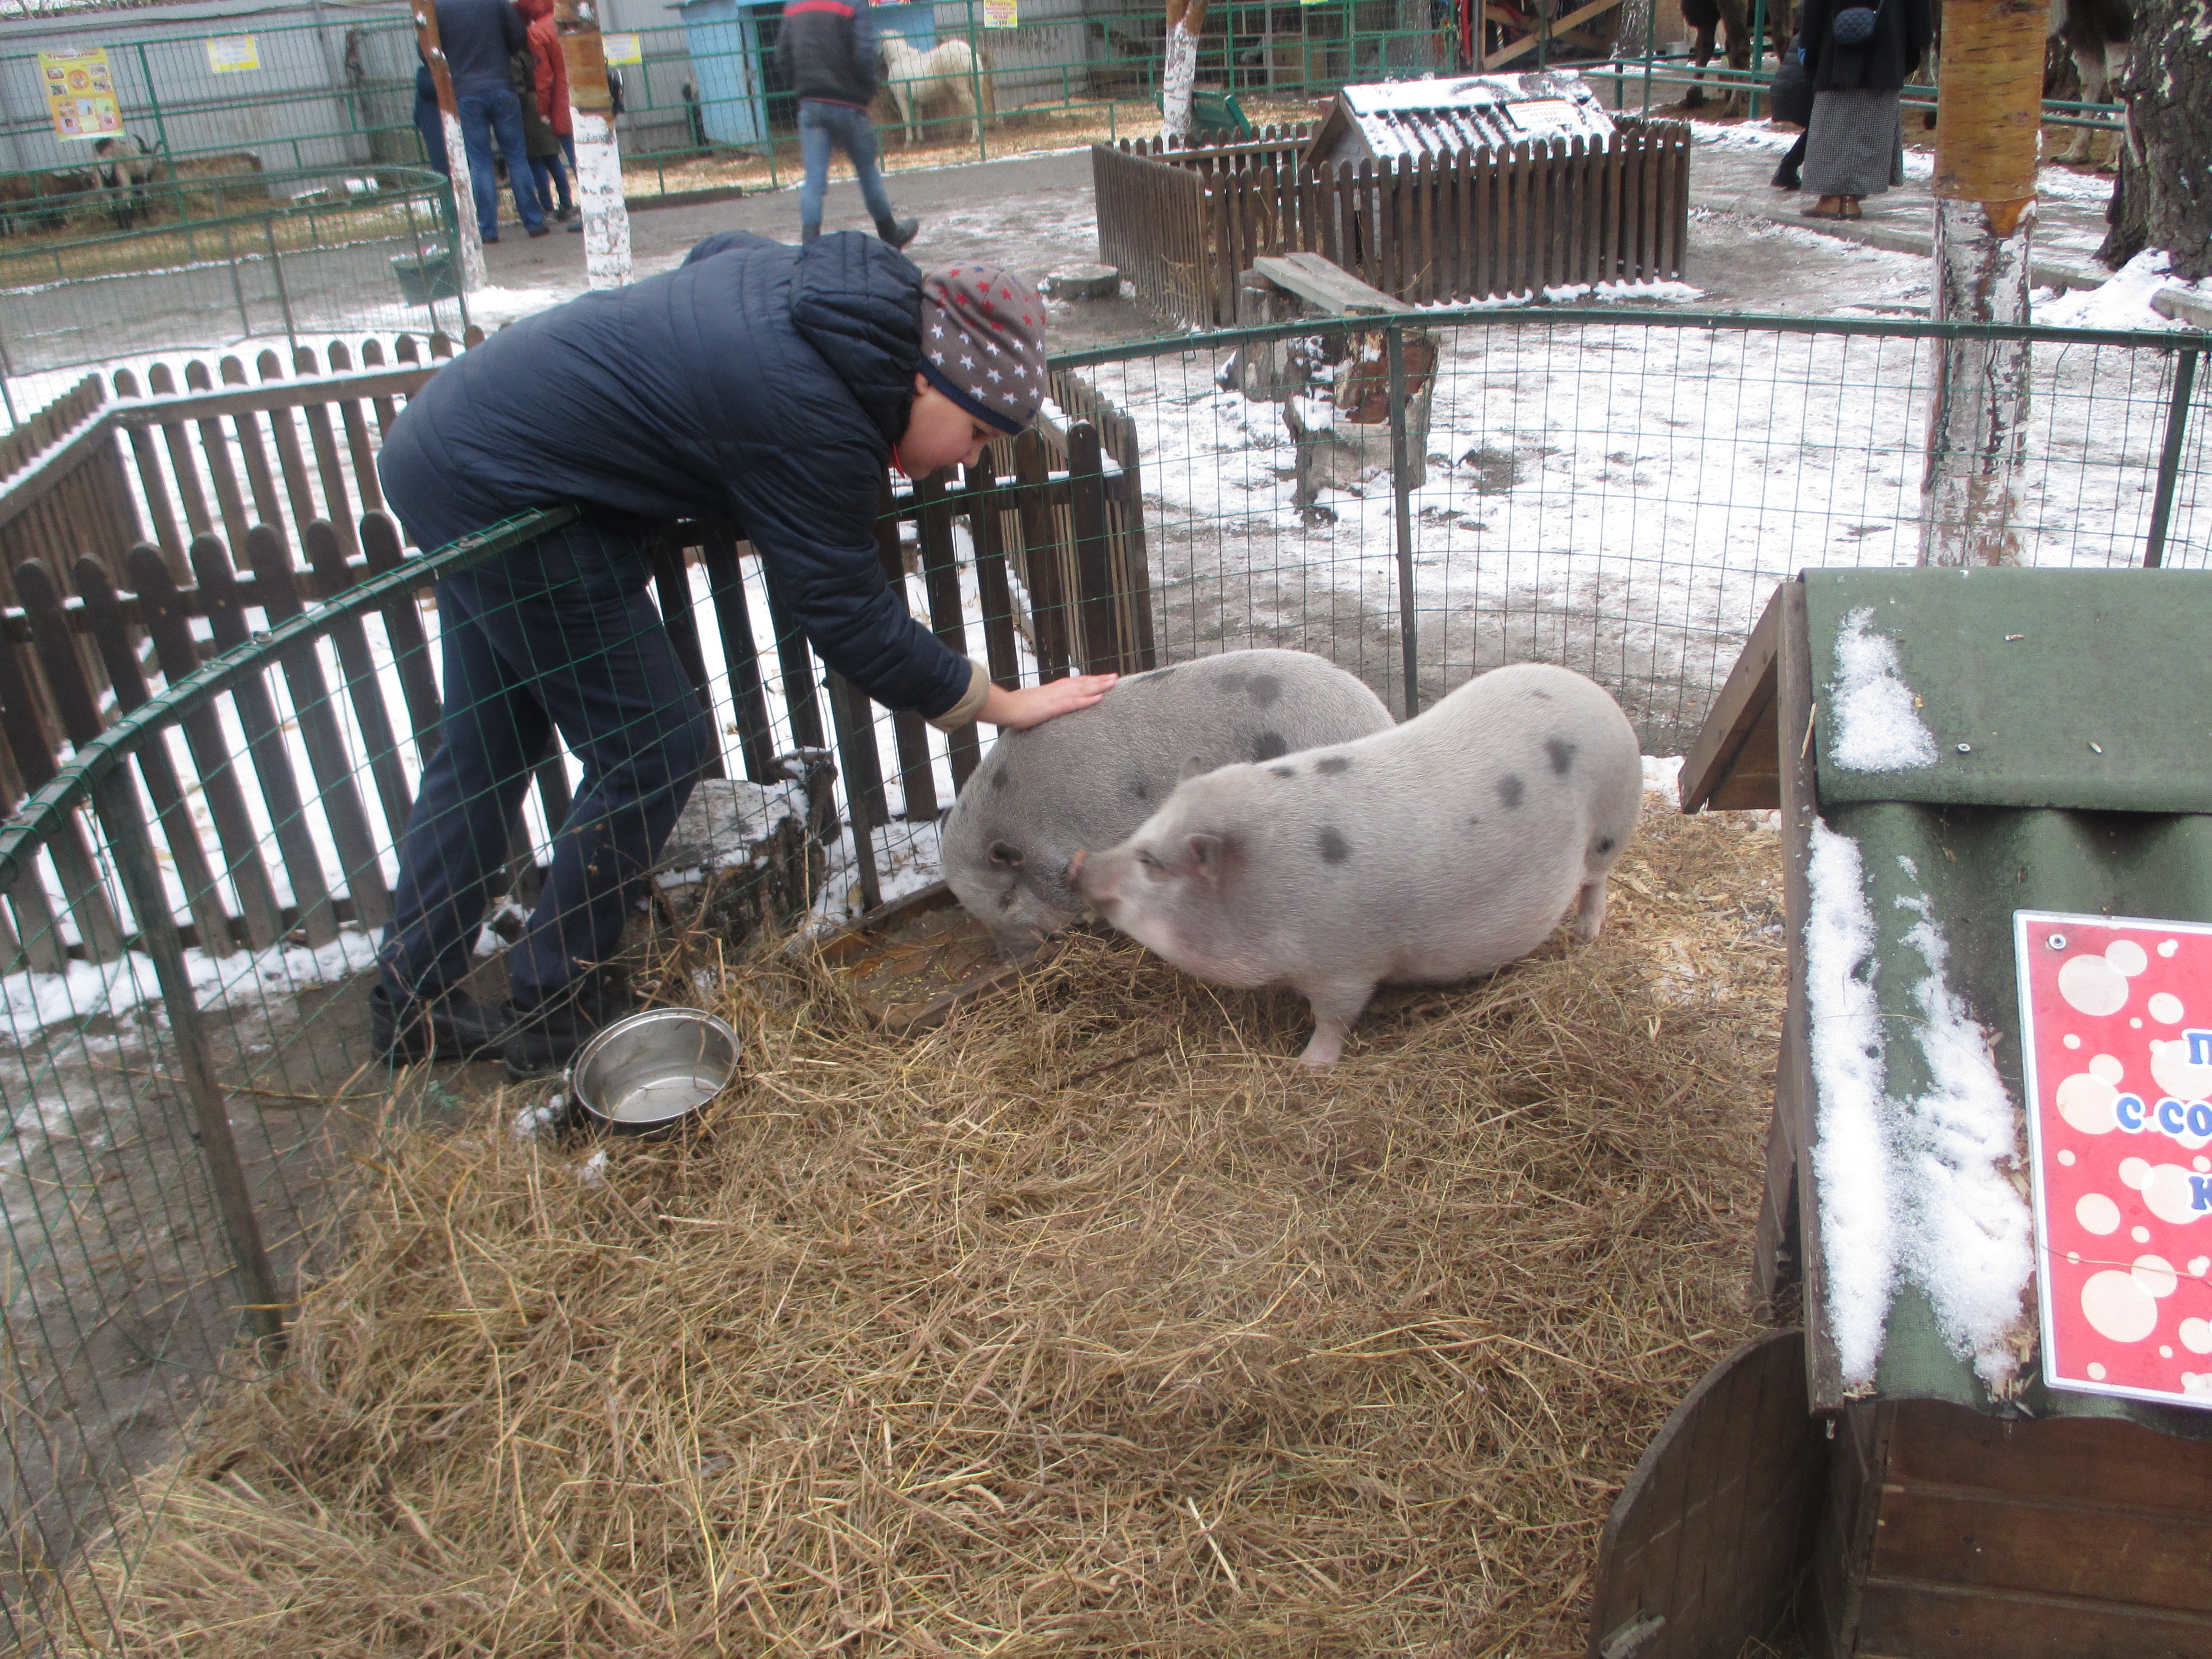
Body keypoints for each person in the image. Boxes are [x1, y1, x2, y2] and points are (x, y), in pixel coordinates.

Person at [369, 237, 1109, 1078]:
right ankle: (553, 1004)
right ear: (923, 377)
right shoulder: (814, 405)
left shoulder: (837, 305)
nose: (971, 458)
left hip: (453, 443)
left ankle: (410, 1000)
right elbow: (846, 613)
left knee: (488, 747)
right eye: (976, 431)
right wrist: (1001, 703)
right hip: (500, 480)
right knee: (653, 744)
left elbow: (712, 254)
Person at [776, 0, 918, 249]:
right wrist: (868, 90)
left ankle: (810, 243)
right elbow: (864, 54)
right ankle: (890, 233)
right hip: (848, 104)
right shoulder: (853, 3)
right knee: (867, 172)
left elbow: (782, 57)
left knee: (814, 181)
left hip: (811, 104)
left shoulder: (794, 4)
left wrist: (802, 90)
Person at [1796, 0, 1933, 221]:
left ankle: (1831, 199)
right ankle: (1852, 200)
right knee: (1872, 122)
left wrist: (1809, 44)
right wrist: (1913, 46)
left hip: (1837, 44)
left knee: (1832, 123)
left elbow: (1815, 9)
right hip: (1887, 41)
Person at [435, 0, 546, 241]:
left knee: (480, 162)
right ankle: (534, 224)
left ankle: (488, 230)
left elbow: (427, 50)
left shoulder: (439, 7)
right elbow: (518, 36)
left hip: (465, 92)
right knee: (517, 157)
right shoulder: (496, 2)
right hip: (502, 86)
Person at [516, 0, 583, 232]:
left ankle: (589, 215)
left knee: (577, 160)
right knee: (588, 157)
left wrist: (543, 110)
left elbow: (544, 77)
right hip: (588, 91)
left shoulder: (539, 31)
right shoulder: (574, 18)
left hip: (563, 101)